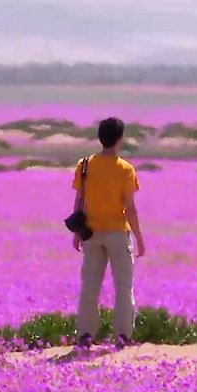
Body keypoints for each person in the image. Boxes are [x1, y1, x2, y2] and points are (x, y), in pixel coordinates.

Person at [71, 117, 146, 348]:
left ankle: (85, 335)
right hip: (117, 233)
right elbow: (130, 208)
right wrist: (140, 238)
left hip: (91, 233)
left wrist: (76, 232)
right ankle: (123, 335)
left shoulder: (84, 165)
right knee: (123, 286)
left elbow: (79, 200)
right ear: (120, 139)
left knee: (90, 286)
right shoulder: (125, 169)